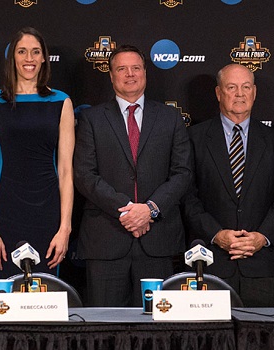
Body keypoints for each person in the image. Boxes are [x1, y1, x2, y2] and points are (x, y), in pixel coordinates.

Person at [74, 45, 192, 306]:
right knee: (105, 327)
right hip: (106, 241)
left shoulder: (170, 117)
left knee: (156, 328)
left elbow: (183, 173)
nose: (130, 74)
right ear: (112, 76)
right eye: (122, 69)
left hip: (157, 242)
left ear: (145, 73)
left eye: (136, 68)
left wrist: (149, 209)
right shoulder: (91, 119)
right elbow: (84, 174)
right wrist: (129, 211)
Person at [181, 64, 274, 307]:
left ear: (254, 93)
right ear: (219, 93)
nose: (239, 94)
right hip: (211, 262)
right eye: (231, 87)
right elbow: (188, 198)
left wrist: (262, 237)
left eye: (245, 87)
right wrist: (216, 235)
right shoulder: (194, 138)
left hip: (262, 265)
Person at [0, 28, 74, 279]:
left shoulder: (61, 102)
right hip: (4, 213)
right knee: (5, 302)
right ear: (13, 58)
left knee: (46, 297)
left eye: (35, 52)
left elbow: (65, 172)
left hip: (48, 214)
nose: (29, 58)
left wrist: (64, 229)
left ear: (44, 58)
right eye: (22, 51)